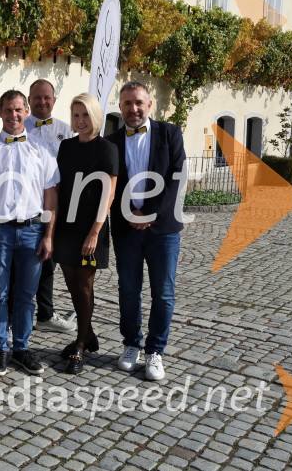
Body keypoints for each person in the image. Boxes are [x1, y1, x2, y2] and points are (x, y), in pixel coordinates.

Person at [106, 81, 186, 381]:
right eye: (127, 103)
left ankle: (155, 351)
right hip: (126, 229)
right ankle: (131, 344)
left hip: (163, 228)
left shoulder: (170, 134)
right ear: (121, 106)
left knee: (163, 293)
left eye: (139, 102)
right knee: (128, 290)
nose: (133, 108)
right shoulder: (111, 140)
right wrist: (129, 216)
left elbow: (176, 178)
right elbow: (107, 185)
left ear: (149, 104)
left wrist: (148, 213)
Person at [0, 90, 58, 377]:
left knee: (27, 295)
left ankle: (21, 347)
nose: (13, 115)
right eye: (8, 110)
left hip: (32, 231)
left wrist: (49, 235)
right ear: (0, 112)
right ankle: (0, 347)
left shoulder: (42, 150)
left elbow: (50, 196)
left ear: (26, 112)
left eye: (18, 110)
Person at [53, 93, 118, 374]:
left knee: (85, 286)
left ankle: (80, 343)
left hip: (92, 227)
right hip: (66, 226)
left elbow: (109, 193)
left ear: (95, 117)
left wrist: (95, 232)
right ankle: (88, 333)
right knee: (71, 284)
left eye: (85, 115)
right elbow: (59, 187)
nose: (80, 120)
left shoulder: (107, 149)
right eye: (76, 115)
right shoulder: (66, 147)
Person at [22, 79, 77, 334]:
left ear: (54, 100)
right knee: (22, 262)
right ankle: (16, 313)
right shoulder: (19, 128)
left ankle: (45, 312)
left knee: (49, 260)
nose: (42, 102)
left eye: (47, 98)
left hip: (57, 206)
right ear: (29, 100)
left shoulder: (66, 131)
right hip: (28, 206)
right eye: (37, 97)